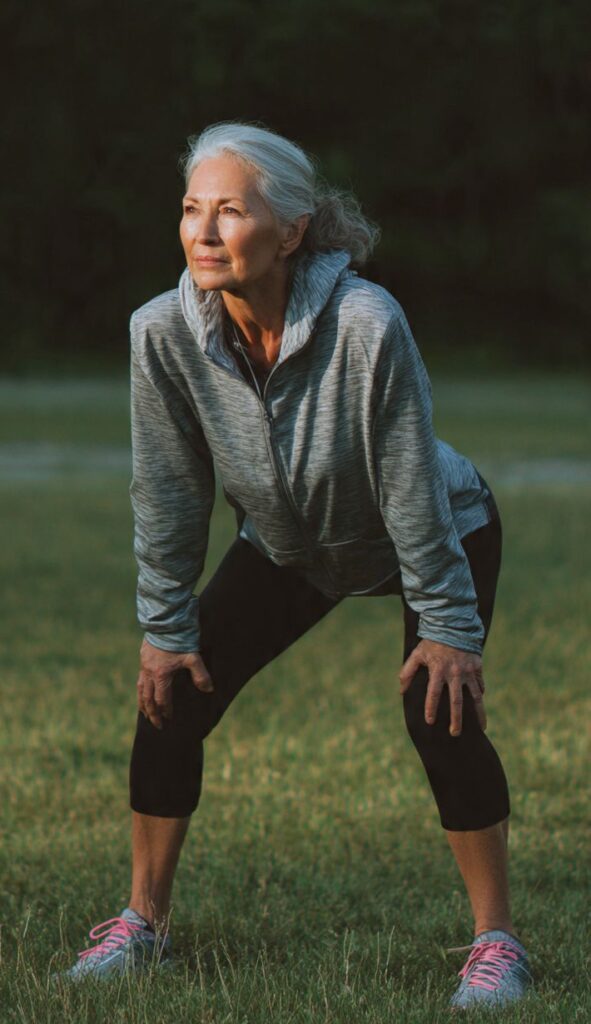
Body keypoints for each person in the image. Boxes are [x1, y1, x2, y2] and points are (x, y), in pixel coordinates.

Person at [63, 122, 532, 1008]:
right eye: (191, 210)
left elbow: (407, 484)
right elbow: (168, 494)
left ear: (290, 232)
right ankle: (143, 926)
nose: (203, 230)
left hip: (430, 530)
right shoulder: (160, 333)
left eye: (229, 211)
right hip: (290, 545)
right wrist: (164, 630)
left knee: (440, 714)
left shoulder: (364, 322)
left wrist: (448, 628)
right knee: (174, 691)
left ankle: (497, 944)